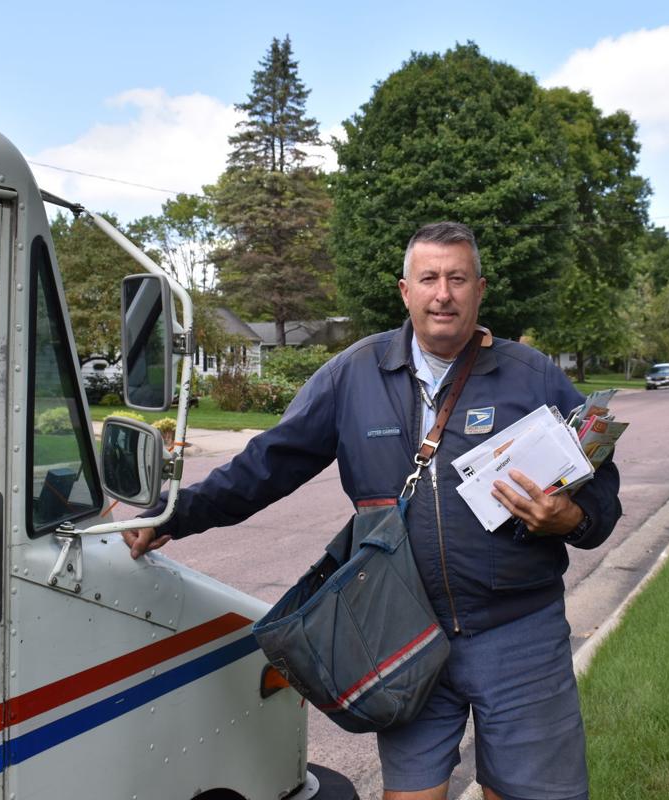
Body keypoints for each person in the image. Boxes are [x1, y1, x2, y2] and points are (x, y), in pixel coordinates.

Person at [124, 221, 621, 800]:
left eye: (458, 278)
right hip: (403, 630)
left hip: (519, 634)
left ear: (480, 290)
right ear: (404, 291)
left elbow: (600, 488)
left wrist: (570, 520)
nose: (444, 293)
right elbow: (267, 465)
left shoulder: (531, 376)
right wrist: (175, 514)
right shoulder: (352, 375)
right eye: (429, 278)